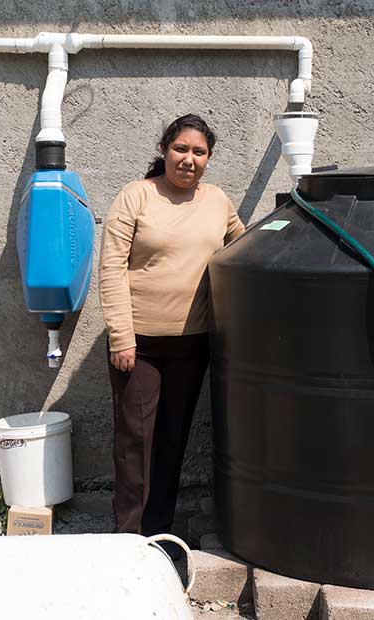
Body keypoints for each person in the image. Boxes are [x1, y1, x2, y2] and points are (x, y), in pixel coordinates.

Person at [99, 114, 245, 544]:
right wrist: (122, 337)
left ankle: (158, 536)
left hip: (193, 344)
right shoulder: (137, 196)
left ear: (208, 159)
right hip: (139, 346)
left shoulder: (217, 200)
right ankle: (128, 538)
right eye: (181, 149)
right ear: (165, 149)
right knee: (135, 444)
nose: (188, 159)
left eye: (199, 152)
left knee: (171, 439)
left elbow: (244, 243)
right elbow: (111, 269)